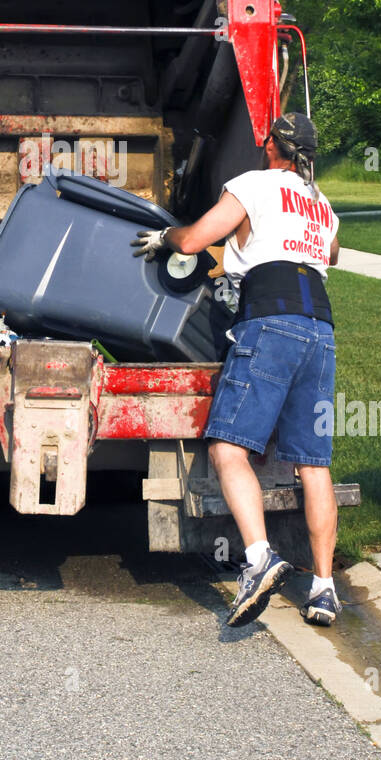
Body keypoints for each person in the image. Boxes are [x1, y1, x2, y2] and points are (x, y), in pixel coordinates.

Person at [132, 112, 341, 629]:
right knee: (313, 464)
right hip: (321, 329)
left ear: (272, 146)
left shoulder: (253, 184)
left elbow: (194, 240)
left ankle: (258, 557)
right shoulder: (320, 202)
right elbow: (329, 253)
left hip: (270, 323)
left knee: (228, 446)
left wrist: (164, 236)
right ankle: (323, 589)